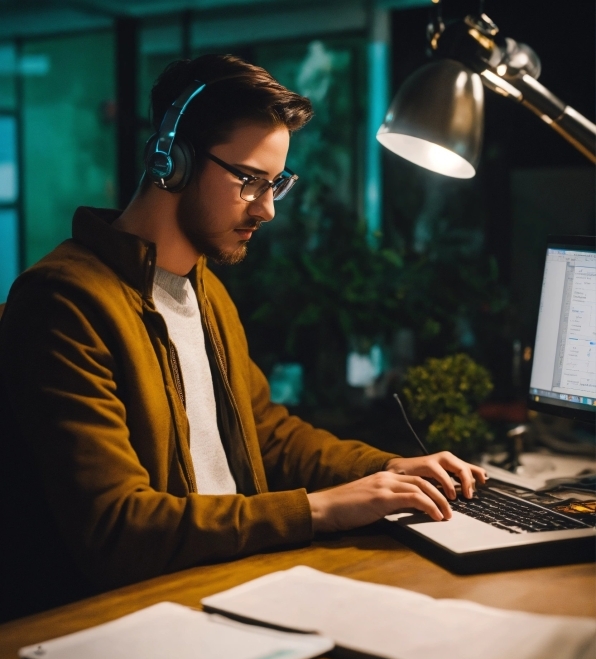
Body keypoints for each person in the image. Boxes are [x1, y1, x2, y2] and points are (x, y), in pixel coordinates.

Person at [0, 54, 485, 622]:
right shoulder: (65, 302)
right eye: (248, 180)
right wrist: (319, 510)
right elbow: (116, 527)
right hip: (139, 614)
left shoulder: (202, 291)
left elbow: (269, 436)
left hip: (232, 581)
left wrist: (387, 470)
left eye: (276, 181)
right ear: (171, 160)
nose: (268, 207)